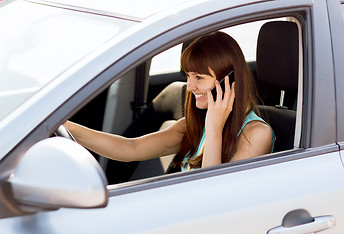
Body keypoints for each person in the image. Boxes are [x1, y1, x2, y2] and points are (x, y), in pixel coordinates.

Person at [64, 31, 274, 172]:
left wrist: (214, 129)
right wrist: (65, 127)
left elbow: (212, 195)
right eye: (188, 76)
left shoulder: (256, 135)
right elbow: (131, 149)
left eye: (199, 78)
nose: (190, 88)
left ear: (231, 81)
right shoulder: (191, 126)